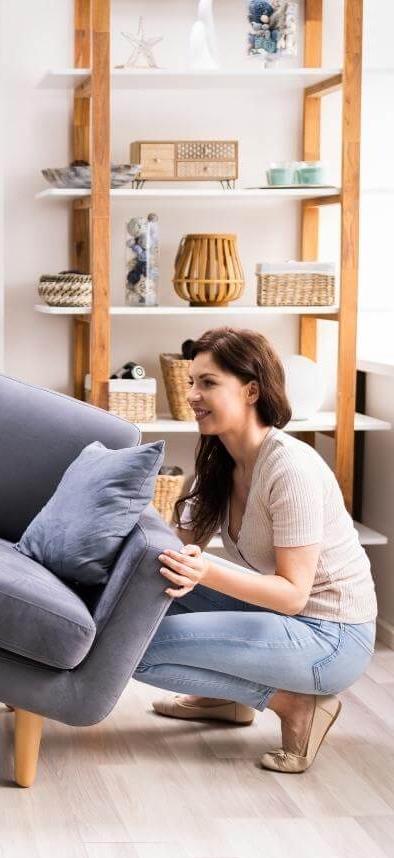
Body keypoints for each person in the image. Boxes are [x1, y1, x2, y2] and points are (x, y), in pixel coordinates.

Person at [133, 326, 377, 773]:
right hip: (282, 619)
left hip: (331, 637)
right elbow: (173, 552)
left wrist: (203, 570)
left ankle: (293, 703)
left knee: (132, 649)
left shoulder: (290, 469)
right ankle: (223, 698)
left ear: (251, 391)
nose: (191, 395)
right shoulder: (219, 460)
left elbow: (293, 595)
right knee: (146, 597)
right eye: (191, 382)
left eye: (208, 383)